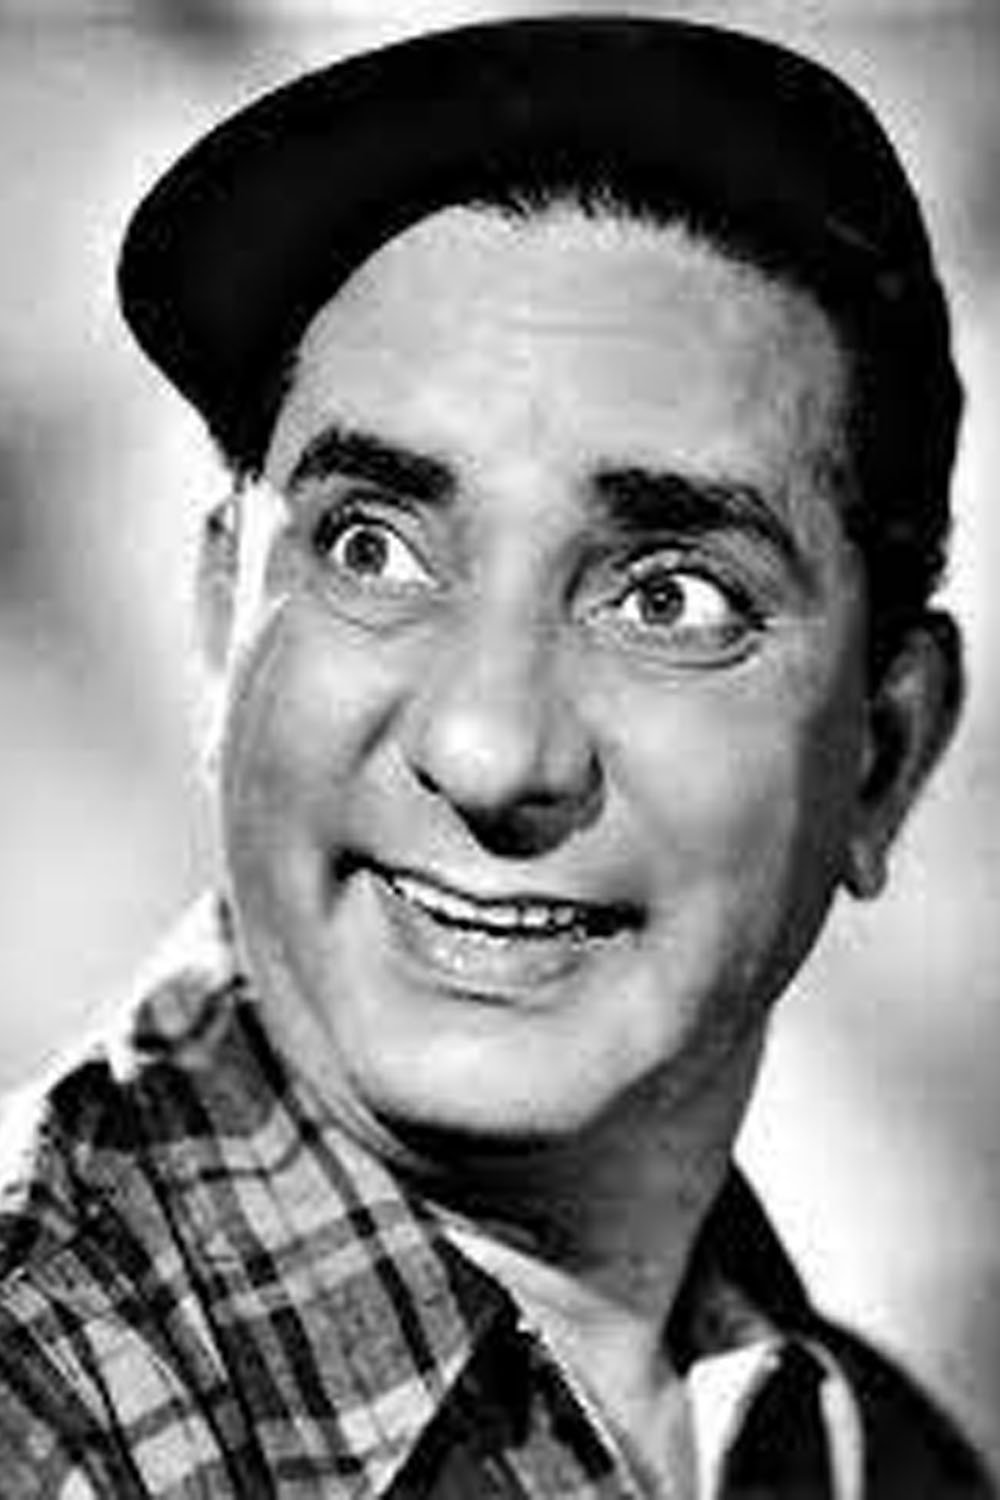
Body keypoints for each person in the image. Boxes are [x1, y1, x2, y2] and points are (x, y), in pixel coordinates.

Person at [0, 13, 991, 1496]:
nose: (486, 747)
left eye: (670, 598)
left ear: (884, 754)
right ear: (220, 616)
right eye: (371, 547)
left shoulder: (881, 1458)